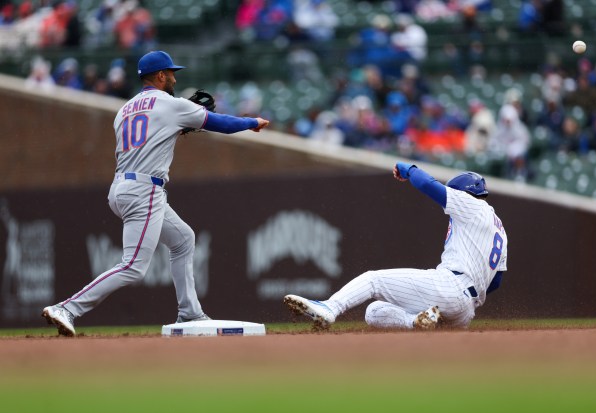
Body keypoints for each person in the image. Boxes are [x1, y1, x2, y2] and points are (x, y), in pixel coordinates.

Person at [42, 51, 270, 336]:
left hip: (121, 187)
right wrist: (251, 123)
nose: (175, 77)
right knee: (133, 267)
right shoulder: (170, 104)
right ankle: (68, 307)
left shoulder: (124, 110)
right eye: (171, 72)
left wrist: (174, 128)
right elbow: (220, 123)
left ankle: (189, 313)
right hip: (144, 189)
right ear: (160, 75)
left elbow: (146, 138)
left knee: (183, 239)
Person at [284, 163, 508, 330]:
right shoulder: (500, 230)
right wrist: (465, 299)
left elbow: (427, 184)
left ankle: (329, 308)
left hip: (451, 286)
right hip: (465, 313)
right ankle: (416, 322)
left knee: (373, 280)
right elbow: (496, 282)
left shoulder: (471, 205)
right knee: (374, 312)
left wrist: (407, 169)